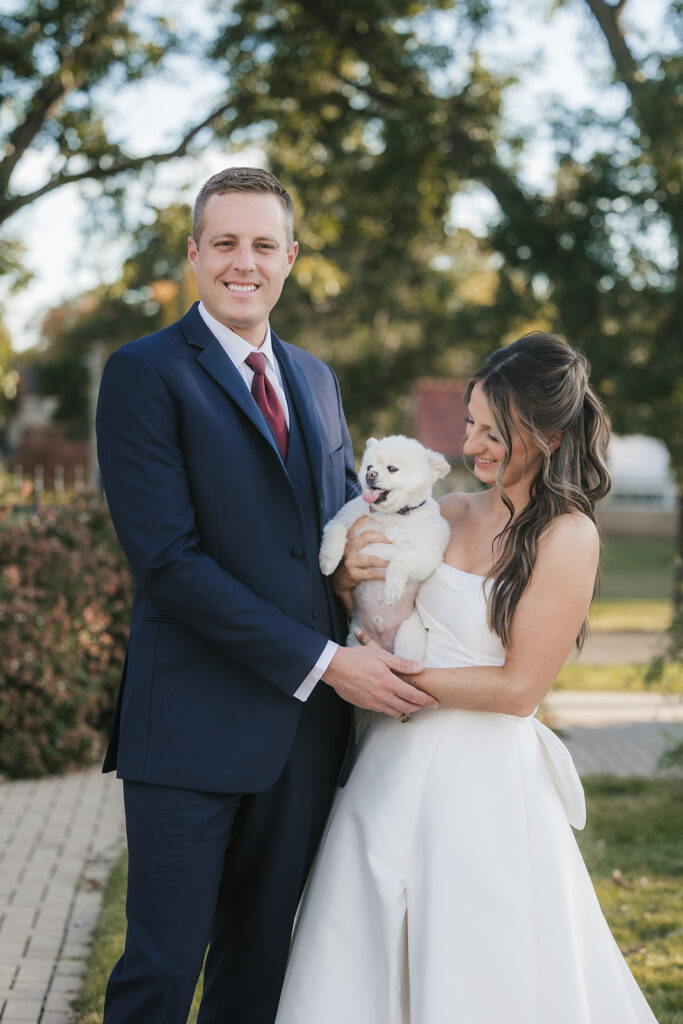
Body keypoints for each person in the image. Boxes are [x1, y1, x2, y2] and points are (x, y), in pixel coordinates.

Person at [95, 166, 436, 1024]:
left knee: (260, 974)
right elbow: (169, 563)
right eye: (224, 243)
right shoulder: (144, 373)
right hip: (190, 727)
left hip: (302, 738)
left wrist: (359, 580)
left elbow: (335, 528)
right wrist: (326, 663)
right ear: (193, 254)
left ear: (289, 257)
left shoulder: (316, 379)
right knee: (161, 971)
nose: (242, 262)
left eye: (261, 244)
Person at [274, 332, 659, 1024]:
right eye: (470, 423)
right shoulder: (445, 514)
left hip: (482, 783)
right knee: (359, 950)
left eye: (492, 433)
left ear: (547, 436)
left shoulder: (566, 536)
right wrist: (345, 580)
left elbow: (519, 690)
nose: (470, 445)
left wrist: (389, 680)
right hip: (388, 766)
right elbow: (368, 603)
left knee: (474, 960)